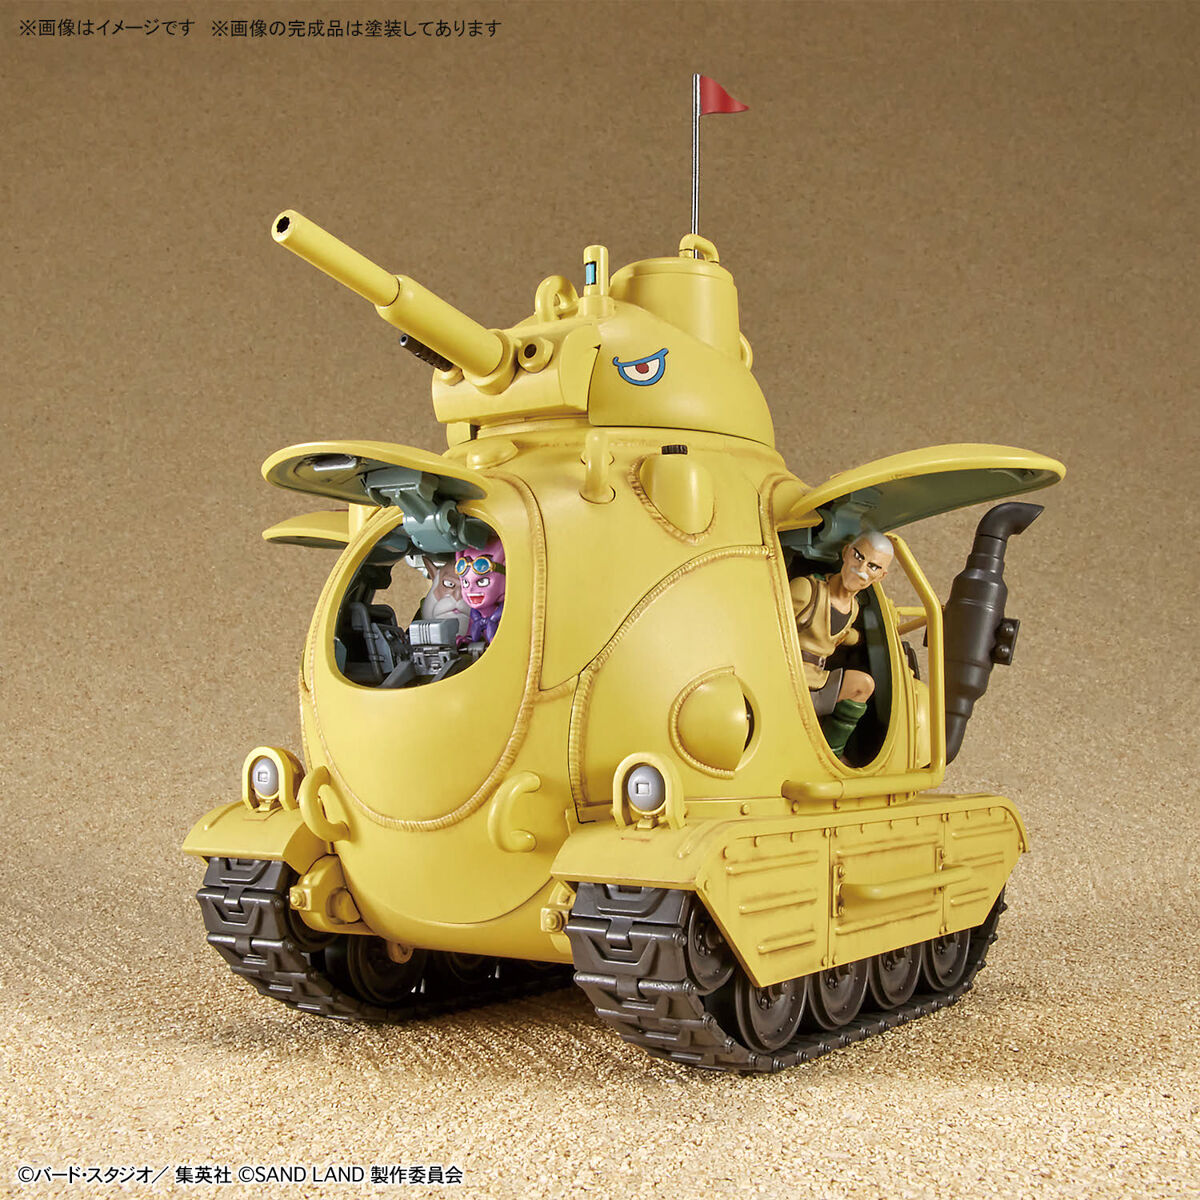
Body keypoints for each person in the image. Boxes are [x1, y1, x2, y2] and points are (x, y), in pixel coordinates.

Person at [790, 530, 893, 758]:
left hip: (817, 680)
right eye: (858, 556)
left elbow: (838, 635)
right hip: (788, 676)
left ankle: (832, 756)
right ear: (846, 552)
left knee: (862, 684)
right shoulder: (807, 590)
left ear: (881, 576)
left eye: (873, 566)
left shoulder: (853, 609)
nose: (861, 569)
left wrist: (859, 637)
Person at [455, 538, 506, 646]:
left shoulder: (506, 610)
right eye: (466, 583)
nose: (470, 589)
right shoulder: (475, 614)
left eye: (482, 582)